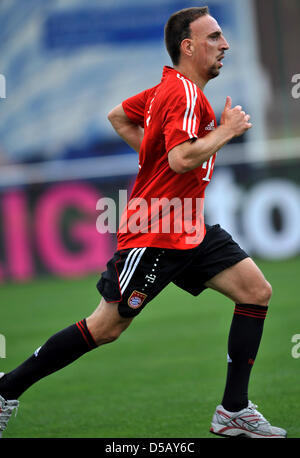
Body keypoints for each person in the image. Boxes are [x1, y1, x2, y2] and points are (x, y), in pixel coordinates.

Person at [0, 7, 286, 439]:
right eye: (214, 37)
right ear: (187, 47)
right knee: (105, 327)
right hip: (155, 232)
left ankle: (233, 410)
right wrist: (228, 130)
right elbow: (181, 157)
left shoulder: (165, 90)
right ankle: (6, 391)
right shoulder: (185, 94)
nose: (224, 44)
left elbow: (118, 116)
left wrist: (157, 161)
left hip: (187, 227)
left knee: (255, 291)